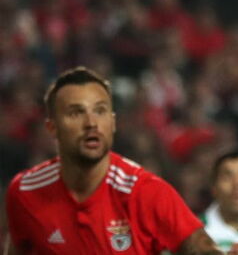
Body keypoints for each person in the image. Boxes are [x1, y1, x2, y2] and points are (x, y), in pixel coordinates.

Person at [4, 67, 222, 254]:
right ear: (52, 128)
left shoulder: (146, 192)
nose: (91, 123)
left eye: (100, 111)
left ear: (113, 123)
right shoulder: (24, 192)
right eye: (76, 113)